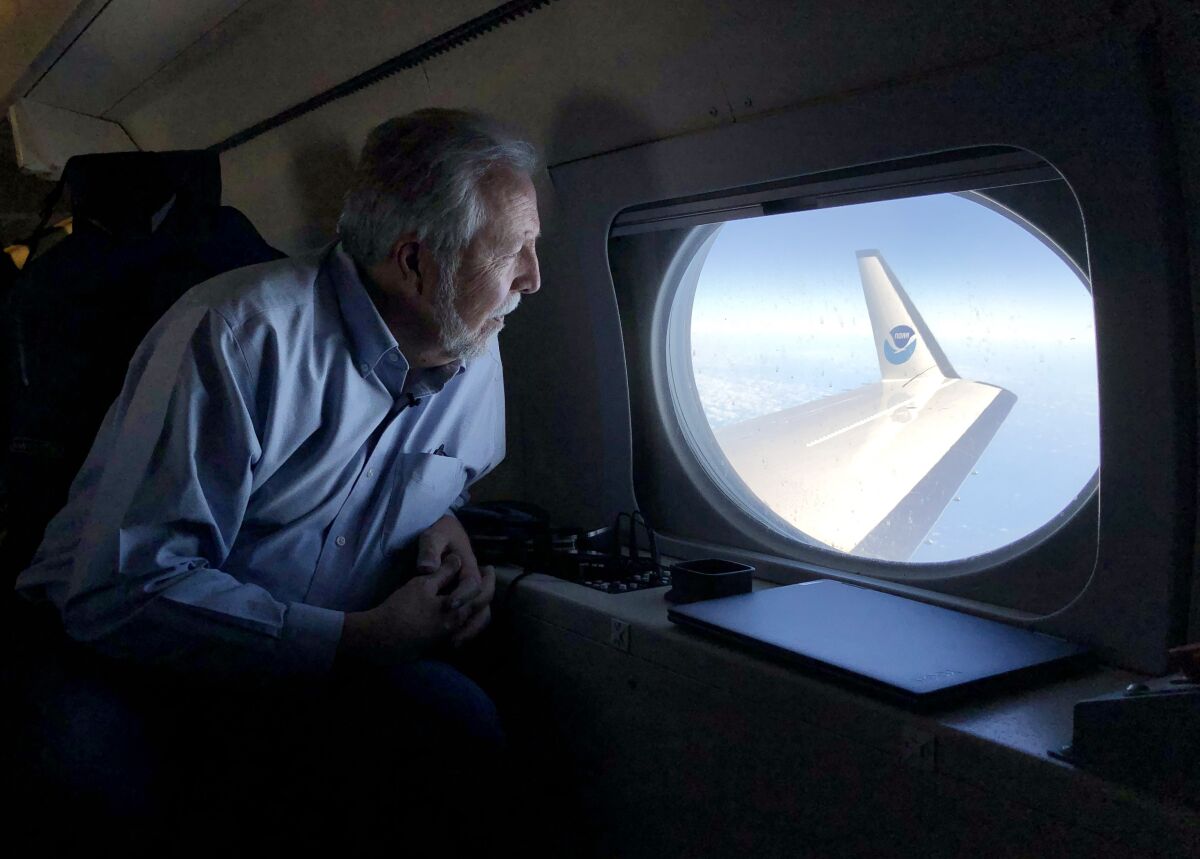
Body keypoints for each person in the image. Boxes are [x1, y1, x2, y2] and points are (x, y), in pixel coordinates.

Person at [11, 108, 544, 850]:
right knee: (93, 774)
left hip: (308, 655)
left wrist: (440, 527)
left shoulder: (473, 349)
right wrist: (358, 639)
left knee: (463, 725)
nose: (534, 279)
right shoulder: (238, 334)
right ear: (415, 261)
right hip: (115, 650)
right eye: (513, 251)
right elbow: (121, 592)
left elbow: (438, 480)